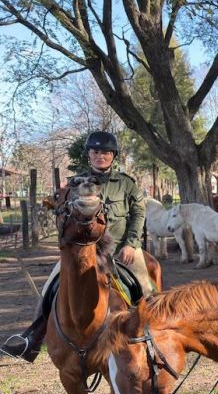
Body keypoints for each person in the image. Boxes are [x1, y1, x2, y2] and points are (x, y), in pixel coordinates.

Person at [1, 131, 154, 363]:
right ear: (89, 155)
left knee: (145, 288)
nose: (100, 156)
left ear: (113, 156)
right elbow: (60, 209)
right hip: (83, 252)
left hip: (121, 250)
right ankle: (31, 340)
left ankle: (153, 339)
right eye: (95, 152)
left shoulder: (126, 184)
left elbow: (138, 214)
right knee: (50, 287)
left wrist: (132, 244)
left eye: (105, 152)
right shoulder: (75, 184)